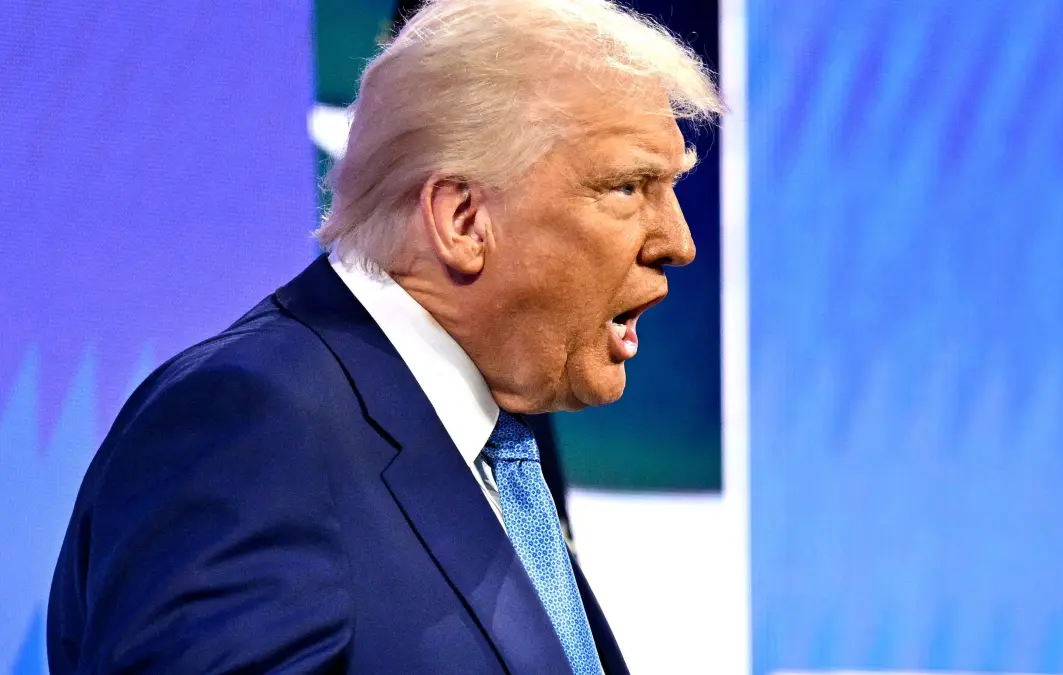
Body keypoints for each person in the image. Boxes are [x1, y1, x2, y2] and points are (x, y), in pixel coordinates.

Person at [46, 0, 722, 672]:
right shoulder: (252, 427)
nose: (680, 243)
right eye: (630, 187)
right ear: (462, 219)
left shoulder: (494, 438)